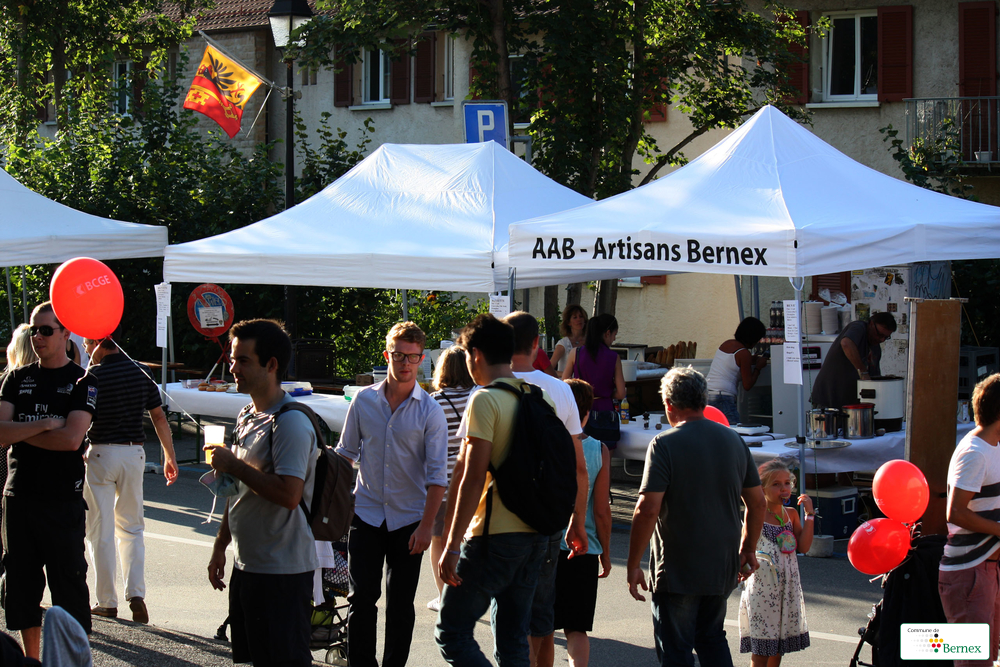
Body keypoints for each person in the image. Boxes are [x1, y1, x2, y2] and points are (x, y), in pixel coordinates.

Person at [626, 367, 766, 667]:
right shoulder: (733, 440)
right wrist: (748, 548)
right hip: (722, 562)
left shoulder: (664, 443)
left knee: (676, 649)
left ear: (668, 404)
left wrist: (634, 563)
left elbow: (647, 509)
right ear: (704, 401)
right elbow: (757, 503)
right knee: (712, 638)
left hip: (678, 566)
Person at [435, 314, 551, 667]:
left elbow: (471, 477)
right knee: (514, 639)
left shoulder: (485, 399)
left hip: (494, 536)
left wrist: (452, 545)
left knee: (452, 632)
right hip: (537, 535)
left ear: (476, 355)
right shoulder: (537, 396)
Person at [206, 319, 318, 666]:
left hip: (283, 572)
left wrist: (236, 466)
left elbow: (289, 495)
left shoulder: (290, 422)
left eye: (243, 360)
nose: (233, 368)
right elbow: (236, 491)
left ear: (271, 365)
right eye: (232, 359)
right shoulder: (246, 415)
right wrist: (220, 546)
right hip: (247, 565)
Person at [336, 322, 448, 667]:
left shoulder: (430, 411)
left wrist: (426, 526)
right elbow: (345, 455)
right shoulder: (364, 400)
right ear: (387, 355)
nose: (405, 363)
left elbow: (437, 477)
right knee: (361, 599)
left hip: (409, 520)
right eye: (399, 355)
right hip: (366, 513)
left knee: (400, 605)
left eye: (412, 357)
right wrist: (335, 504)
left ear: (422, 360)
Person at [0, 302, 98, 659]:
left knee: (69, 584)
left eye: (45, 330)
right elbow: (0, 433)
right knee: (21, 587)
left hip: (61, 500)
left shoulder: (83, 380)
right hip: (20, 496)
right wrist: (43, 425)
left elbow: (71, 439)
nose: (37, 337)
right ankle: (32, 660)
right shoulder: (17, 378)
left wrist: (21, 432)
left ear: (65, 334)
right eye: (33, 331)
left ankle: (71, 661)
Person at [504, 311, 588, 667]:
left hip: (503, 517)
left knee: (510, 614)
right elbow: (578, 466)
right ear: (537, 344)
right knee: (542, 612)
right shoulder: (560, 389)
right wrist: (577, 521)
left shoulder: (489, 388)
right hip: (549, 514)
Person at [82, 330, 179, 624]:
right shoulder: (141, 370)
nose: (86, 352)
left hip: (101, 453)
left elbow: (83, 420)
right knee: (132, 527)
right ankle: (136, 593)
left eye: (87, 345)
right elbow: (158, 416)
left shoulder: (93, 376)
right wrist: (170, 455)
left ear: (97, 343)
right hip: (134, 454)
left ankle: (106, 600)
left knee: (100, 530)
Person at [939, 373, 1000, 667]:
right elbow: (956, 512)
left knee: (986, 658)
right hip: (968, 573)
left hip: (987, 569)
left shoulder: (993, 446)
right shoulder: (974, 453)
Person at [554, 379, 612, 667]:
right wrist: (606, 554)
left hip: (547, 544)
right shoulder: (599, 449)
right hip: (584, 547)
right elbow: (601, 510)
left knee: (539, 626)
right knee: (577, 628)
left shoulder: (547, 443)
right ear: (587, 413)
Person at [739, 459, 812, 665]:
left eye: (787, 483)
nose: (784, 489)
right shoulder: (756, 515)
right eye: (776, 484)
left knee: (778, 649)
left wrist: (810, 515)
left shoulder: (791, 515)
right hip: (763, 591)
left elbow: (804, 547)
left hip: (786, 590)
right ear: (762, 488)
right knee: (762, 650)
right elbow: (745, 548)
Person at [427, 346, 478, 613]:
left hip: (443, 481)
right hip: (474, 479)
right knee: (472, 539)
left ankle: (444, 595)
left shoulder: (434, 401)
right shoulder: (478, 396)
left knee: (439, 538)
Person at [562, 313, 625, 446]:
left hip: (579, 409)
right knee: (605, 455)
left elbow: (564, 385)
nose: (614, 339)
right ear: (607, 333)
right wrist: (606, 393)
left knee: (579, 455)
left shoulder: (575, 353)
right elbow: (621, 393)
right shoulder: (614, 357)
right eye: (614, 334)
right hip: (605, 412)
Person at [810, 312, 897, 409]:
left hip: (851, 405)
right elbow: (846, 343)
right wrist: (863, 372)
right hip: (828, 399)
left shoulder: (875, 349)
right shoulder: (859, 327)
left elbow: (872, 380)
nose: (882, 340)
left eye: (886, 337)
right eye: (879, 334)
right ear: (871, 324)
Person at [705, 317, 767, 425]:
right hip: (723, 397)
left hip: (707, 394)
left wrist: (749, 361)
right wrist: (758, 367)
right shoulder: (744, 353)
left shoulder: (727, 344)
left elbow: (731, 363)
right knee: (734, 429)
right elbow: (747, 385)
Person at [550, 305, 588, 374]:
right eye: (575, 317)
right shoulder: (563, 344)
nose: (579, 319)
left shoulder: (589, 341)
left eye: (581, 316)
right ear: (568, 322)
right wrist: (566, 374)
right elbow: (549, 370)